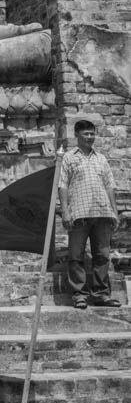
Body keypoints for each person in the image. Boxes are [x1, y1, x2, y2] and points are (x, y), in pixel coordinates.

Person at [58, 120, 121, 309]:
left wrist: (115, 212)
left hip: (102, 212)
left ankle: (101, 295)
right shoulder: (68, 158)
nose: (90, 137)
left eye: (92, 133)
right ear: (76, 135)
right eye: (86, 134)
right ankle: (79, 295)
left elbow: (110, 186)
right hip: (79, 213)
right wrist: (65, 211)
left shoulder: (101, 158)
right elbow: (62, 185)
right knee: (76, 256)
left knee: (102, 256)